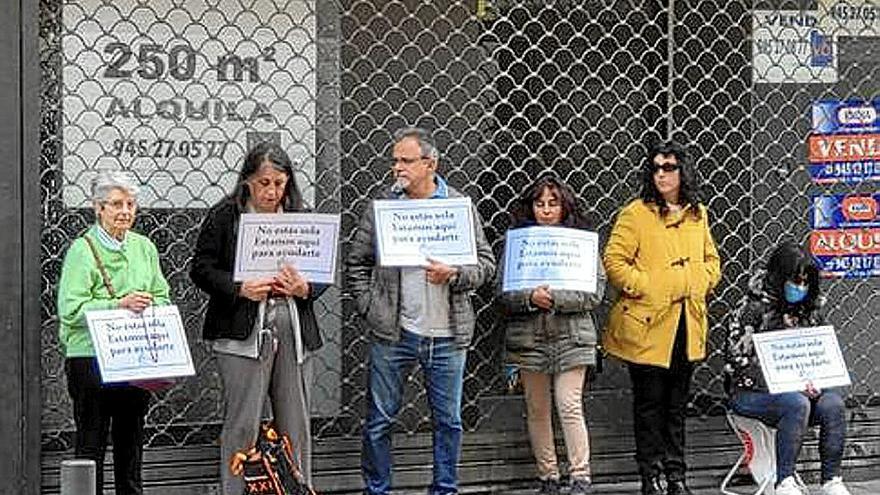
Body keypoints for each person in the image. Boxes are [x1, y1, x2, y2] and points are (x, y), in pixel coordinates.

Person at [347, 127, 496, 495]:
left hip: (447, 334)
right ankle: (376, 490)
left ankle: (445, 489)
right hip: (395, 332)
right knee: (380, 421)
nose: (397, 167)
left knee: (448, 421)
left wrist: (456, 274)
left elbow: (487, 266)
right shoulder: (383, 207)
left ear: (431, 163)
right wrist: (371, 308)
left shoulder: (459, 207)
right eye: (395, 160)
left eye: (405, 160)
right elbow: (356, 264)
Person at [190, 142, 324, 495]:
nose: (272, 191)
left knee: (295, 422)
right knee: (242, 422)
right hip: (241, 333)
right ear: (247, 181)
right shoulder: (226, 215)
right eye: (264, 183)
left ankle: (296, 487)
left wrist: (304, 287)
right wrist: (239, 288)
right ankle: (235, 489)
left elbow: (323, 272)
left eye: (279, 183)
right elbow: (201, 269)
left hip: (293, 330)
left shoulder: (301, 215)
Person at [602, 142, 721, 495]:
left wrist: (699, 281)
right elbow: (614, 261)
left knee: (677, 405)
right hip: (648, 324)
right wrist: (647, 286)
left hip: (687, 322)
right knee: (649, 404)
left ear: (683, 171)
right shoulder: (635, 213)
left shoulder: (698, 213)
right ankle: (650, 474)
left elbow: (711, 261)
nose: (662, 174)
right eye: (655, 168)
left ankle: (676, 475)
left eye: (669, 167)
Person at [57, 172, 171, 494]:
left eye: (131, 204)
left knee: (131, 443)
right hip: (90, 358)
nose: (125, 211)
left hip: (133, 357)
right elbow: (70, 310)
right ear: (98, 208)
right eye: (116, 204)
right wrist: (118, 305)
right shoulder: (82, 250)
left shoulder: (144, 247)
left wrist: (150, 304)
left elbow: (162, 294)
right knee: (91, 443)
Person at [498, 176, 606, 495]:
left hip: (573, 338)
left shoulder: (580, 243)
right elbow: (502, 292)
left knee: (569, 404)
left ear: (565, 206)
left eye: (553, 203)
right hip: (529, 339)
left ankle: (580, 476)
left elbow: (595, 292)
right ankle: (548, 476)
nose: (546, 210)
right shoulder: (518, 244)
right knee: (537, 407)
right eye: (540, 203)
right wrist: (529, 298)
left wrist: (556, 298)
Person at [725, 241, 851, 495]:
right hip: (751, 394)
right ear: (779, 276)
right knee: (796, 403)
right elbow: (737, 363)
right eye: (795, 281)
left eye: (806, 282)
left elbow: (820, 354)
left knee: (833, 404)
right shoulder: (752, 309)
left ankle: (831, 481)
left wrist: (819, 381)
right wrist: (786, 383)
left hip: (799, 393)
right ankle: (784, 481)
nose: (800, 288)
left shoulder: (810, 310)